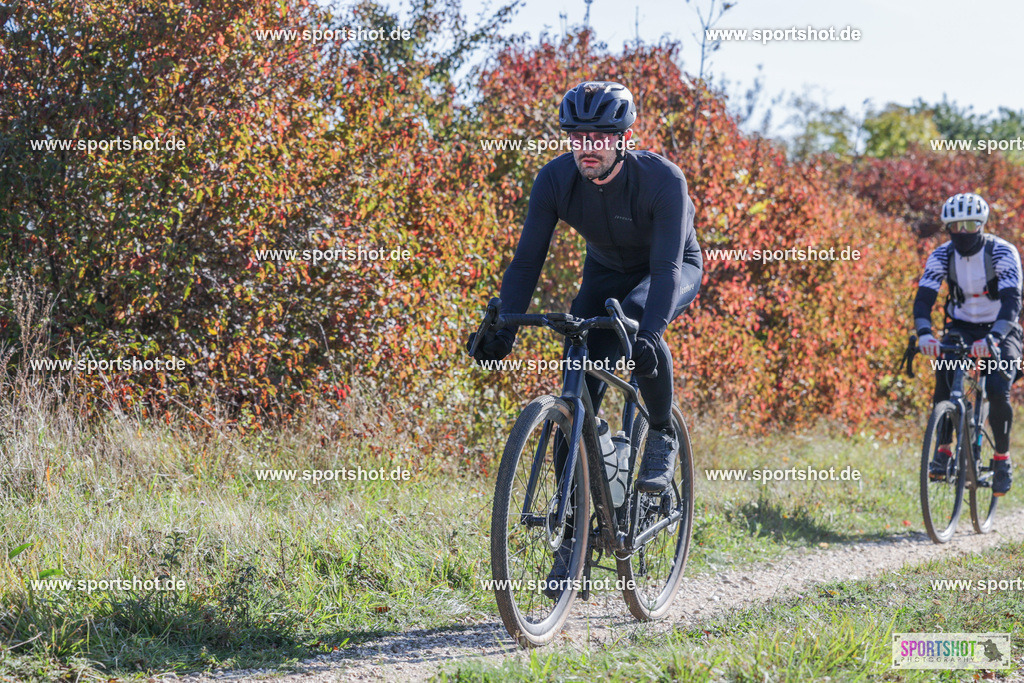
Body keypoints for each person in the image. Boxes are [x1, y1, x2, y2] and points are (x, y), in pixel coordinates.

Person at [467, 81, 703, 594]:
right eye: (577, 137)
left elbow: (664, 270)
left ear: (624, 138)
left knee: (639, 322)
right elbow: (528, 258)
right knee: (575, 402)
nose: (586, 147)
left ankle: (660, 431)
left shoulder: (662, 179)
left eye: (599, 136)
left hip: (668, 269)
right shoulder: (554, 179)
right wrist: (503, 323)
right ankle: (573, 538)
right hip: (604, 274)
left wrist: (650, 333)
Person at [915, 192, 1022, 496]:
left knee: (999, 390)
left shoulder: (1002, 252)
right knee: (946, 377)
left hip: (1002, 327)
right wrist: (924, 333)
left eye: (970, 224)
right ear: (947, 227)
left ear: (982, 224)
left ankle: (1001, 458)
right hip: (961, 326)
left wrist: (994, 338)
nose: (962, 231)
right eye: (955, 225)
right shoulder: (941, 255)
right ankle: (944, 449)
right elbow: (924, 299)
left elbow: (1013, 302)